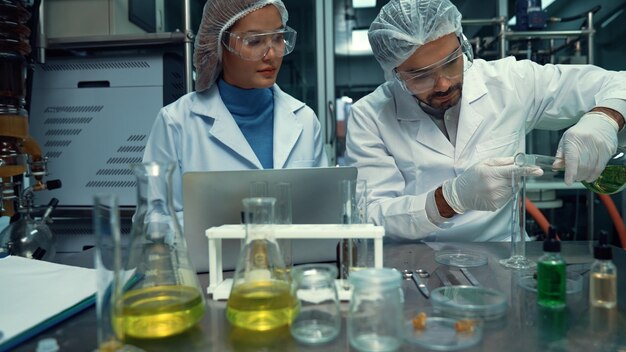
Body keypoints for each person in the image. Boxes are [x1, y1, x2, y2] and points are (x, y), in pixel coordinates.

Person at [345, 0, 626, 241]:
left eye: (451, 62)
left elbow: (618, 82)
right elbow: (369, 216)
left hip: (503, 253)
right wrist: (450, 199)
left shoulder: (510, 81)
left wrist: (605, 117)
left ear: (462, 44)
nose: (443, 84)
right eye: (421, 76)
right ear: (394, 74)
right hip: (415, 259)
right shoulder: (370, 116)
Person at [142, 0, 328, 222]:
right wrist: (227, 231)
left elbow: (322, 211)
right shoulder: (177, 122)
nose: (271, 55)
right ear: (219, 46)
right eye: (254, 41)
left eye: (278, 38)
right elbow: (152, 220)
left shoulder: (305, 120)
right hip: (209, 257)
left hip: (294, 257)